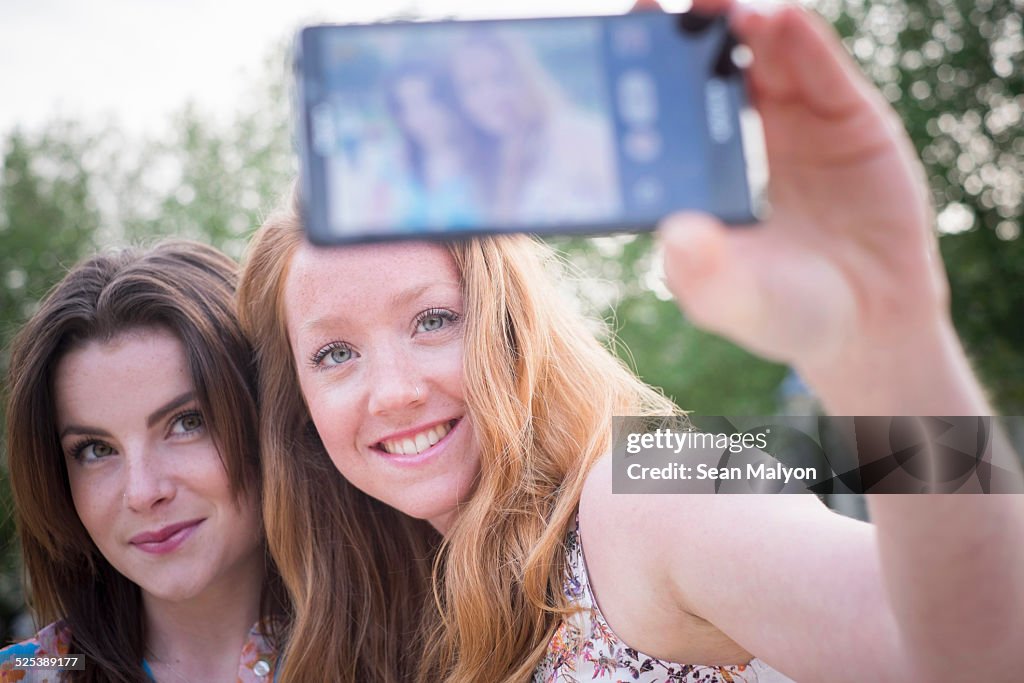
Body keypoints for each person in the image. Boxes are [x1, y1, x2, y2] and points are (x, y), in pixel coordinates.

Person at [238, 2, 1024, 682]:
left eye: (434, 319)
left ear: (513, 324)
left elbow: (979, 645)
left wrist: (890, 339)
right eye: (335, 353)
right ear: (299, 400)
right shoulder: (382, 614)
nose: (395, 389)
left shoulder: (645, 481)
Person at [1, 242, 289, 682]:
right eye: (96, 450)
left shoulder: (409, 652)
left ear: (266, 416)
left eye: (187, 423)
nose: (142, 492)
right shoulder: (29, 672)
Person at [447, 28, 621, 225]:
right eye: (472, 85)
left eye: (500, 77)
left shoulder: (577, 135)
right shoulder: (473, 161)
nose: (490, 96)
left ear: (525, 75)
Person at [381, 60, 484, 230]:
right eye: (408, 106)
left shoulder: (487, 160)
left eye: (429, 101)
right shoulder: (392, 165)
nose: (421, 116)